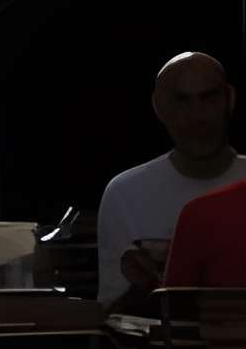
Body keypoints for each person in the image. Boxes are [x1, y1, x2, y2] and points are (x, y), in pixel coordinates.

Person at [97, 51, 240, 306]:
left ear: (230, 100)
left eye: (209, 97)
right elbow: (110, 315)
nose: (198, 116)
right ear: (159, 107)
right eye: (182, 100)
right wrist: (142, 286)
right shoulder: (125, 194)